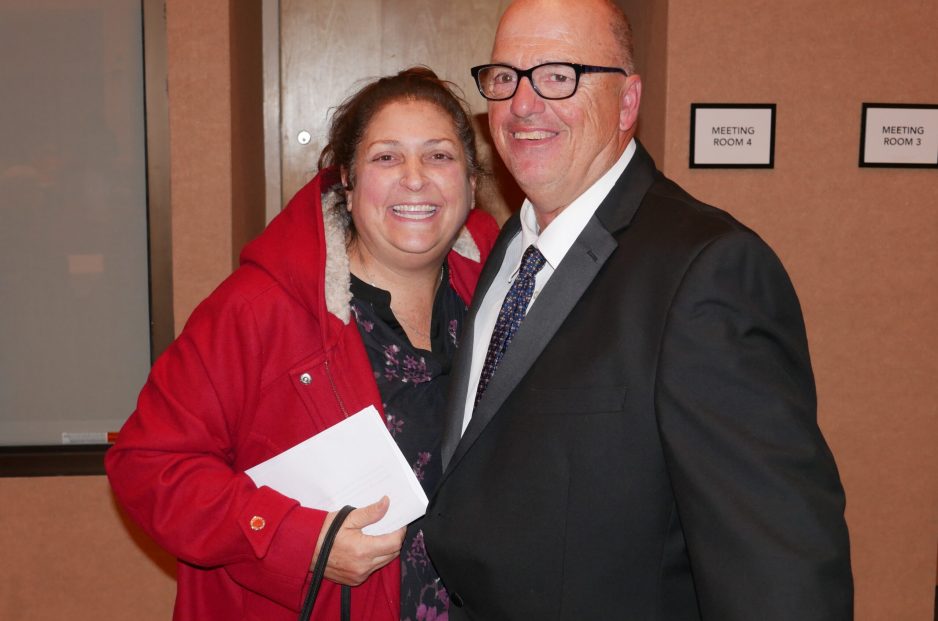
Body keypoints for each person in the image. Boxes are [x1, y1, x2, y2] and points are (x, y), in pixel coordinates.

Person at [421, 1, 854, 619]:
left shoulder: (706, 272)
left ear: (628, 102)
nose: (522, 103)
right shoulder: (510, 250)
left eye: (558, 75)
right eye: (505, 76)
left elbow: (780, 573)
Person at [106, 67, 499, 621]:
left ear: (472, 182)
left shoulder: (501, 291)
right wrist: (299, 539)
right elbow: (148, 464)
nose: (415, 178)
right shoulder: (258, 309)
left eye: (439, 156)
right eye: (386, 157)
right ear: (348, 180)